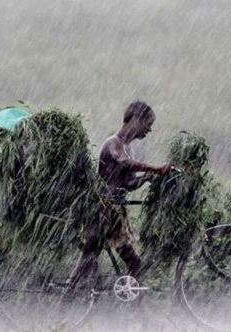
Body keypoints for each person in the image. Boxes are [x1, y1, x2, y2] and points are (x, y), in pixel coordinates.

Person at [61, 101, 171, 304]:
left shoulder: (128, 148)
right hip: (102, 211)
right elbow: (123, 162)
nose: (149, 129)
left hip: (114, 213)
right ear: (135, 120)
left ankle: (137, 309)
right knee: (89, 259)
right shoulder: (114, 143)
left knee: (130, 263)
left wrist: (146, 177)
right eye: (147, 123)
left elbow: (128, 183)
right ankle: (63, 307)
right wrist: (156, 168)